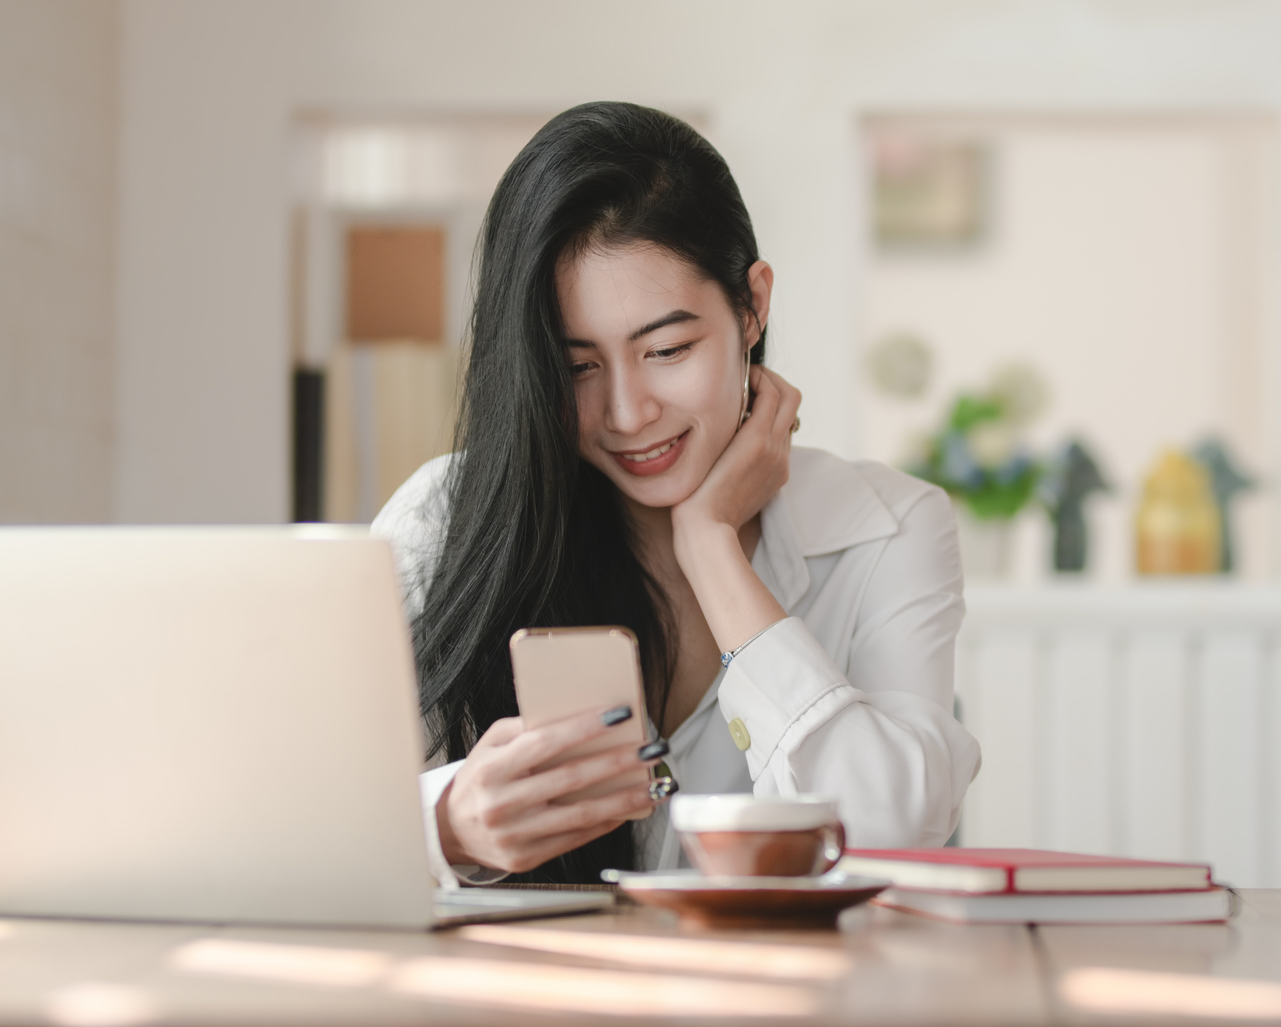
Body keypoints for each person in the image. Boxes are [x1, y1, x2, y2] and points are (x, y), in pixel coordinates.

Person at [371, 101, 980, 886]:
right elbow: (297, 816)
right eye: (578, 367)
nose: (627, 413)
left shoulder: (889, 530)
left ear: (753, 305)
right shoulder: (445, 520)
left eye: (667, 349)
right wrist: (447, 824)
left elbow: (891, 833)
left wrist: (711, 547)